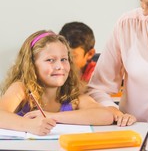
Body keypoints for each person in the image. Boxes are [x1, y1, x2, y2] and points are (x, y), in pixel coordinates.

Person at [0, 30, 128, 136]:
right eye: (50, 60)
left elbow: (105, 116)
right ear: (31, 65)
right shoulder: (21, 89)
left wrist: (53, 116)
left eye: (64, 59)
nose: (59, 66)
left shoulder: (72, 95)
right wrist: (29, 125)